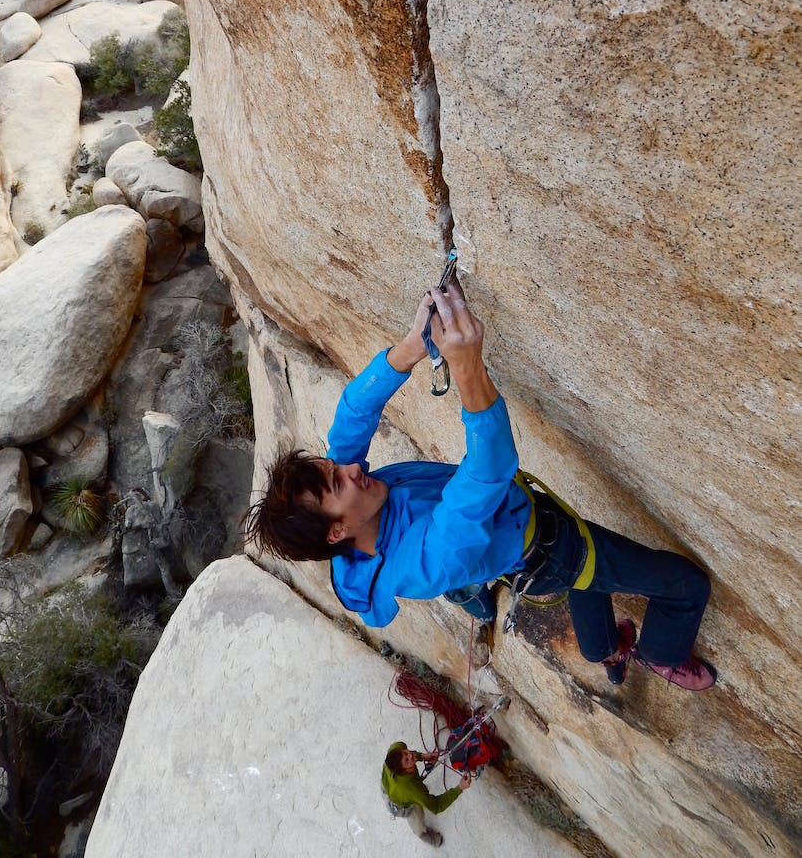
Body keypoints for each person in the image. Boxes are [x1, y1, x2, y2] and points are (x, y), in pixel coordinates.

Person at [244, 279, 716, 691]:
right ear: (335, 532)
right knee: (683, 585)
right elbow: (486, 472)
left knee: (588, 583)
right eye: (336, 481)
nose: (348, 468)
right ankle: (661, 654)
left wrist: (412, 346)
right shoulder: (421, 564)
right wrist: (467, 366)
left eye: (333, 466)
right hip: (551, 552)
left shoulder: (353, 509)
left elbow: (353, 413)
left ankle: (604, 653)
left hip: (532, 534)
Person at [381, 742, 470, 847]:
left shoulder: (396, 749)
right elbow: (436, 806)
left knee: (419, 796)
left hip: (387, 786)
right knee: (417, 823)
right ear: (403, 772)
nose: (410, 755)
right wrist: (459, 788)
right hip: (400, 805)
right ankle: (428, 837)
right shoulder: (413, 791)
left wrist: (422, 757)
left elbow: (407, 754)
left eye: (406, 753)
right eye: (407, 760)